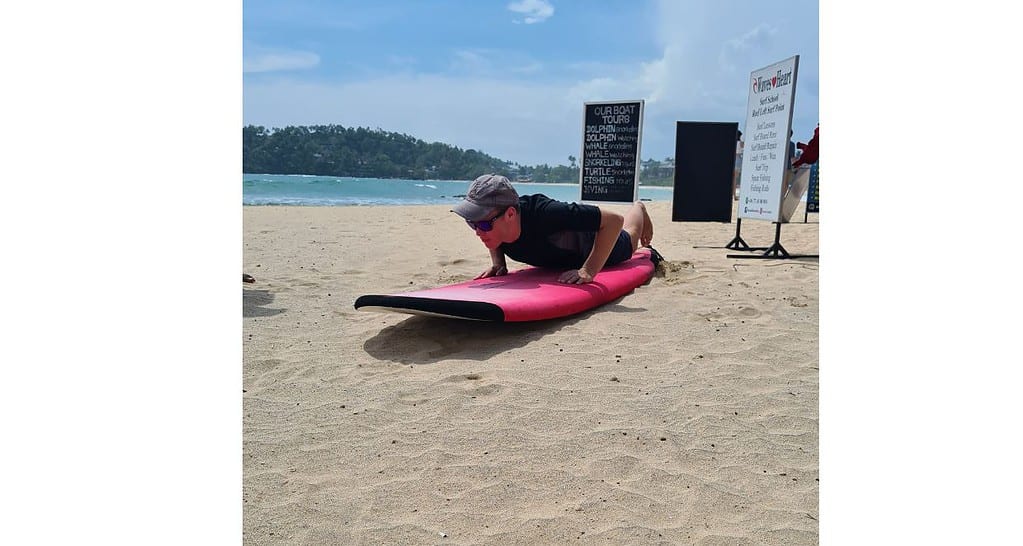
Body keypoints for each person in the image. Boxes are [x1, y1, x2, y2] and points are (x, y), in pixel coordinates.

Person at [452, 174, 653, 284]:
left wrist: (588, 270)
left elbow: (614, 221)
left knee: (631, 240)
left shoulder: (548, 213)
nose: (478, 231)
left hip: (595, 246)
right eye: (472, 223)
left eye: (484, 224)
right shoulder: (498, 222)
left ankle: (639, 207)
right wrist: (498, 263)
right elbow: (492, 231)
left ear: (511, 214)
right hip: (558, 257)